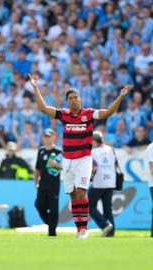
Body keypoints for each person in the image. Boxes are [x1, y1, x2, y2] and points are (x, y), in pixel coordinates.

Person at [28, 73, 132, 239]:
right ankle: (79, 229)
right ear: (67, 101)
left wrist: (120, 97)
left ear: (80, 99)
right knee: (73, 196)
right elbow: (43, 108)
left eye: (76, 97)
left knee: (81, 192)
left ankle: (84, 229)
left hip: (83, 160)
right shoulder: (64, 115)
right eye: (70, 98)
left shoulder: (89, 114)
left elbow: (107, 113)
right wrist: (35, 87)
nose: (74, 100)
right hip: (67, 161)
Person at [34, 128, 62, 237]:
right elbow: (37, 169)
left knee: (53, 209)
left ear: (54, 137)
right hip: (42, 184)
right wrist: (36, 182)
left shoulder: (58, 152)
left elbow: (65, 167)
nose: (47, 138)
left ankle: (52, 232)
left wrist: (57, 165)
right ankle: (51, 224)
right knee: (39, 205)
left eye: (49, 136)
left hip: (54, 185)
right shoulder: (40, 151)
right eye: (45, 136)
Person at [89, 131, 117, 237]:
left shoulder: (94, 152)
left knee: (88, 205)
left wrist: (90, 176)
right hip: (110, 182)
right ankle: (110, 233)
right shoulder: (110, 149)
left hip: (99, 182)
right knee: (107, 208)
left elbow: (94, 168)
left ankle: (105, 225)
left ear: (94, 141)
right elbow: (116, 164)